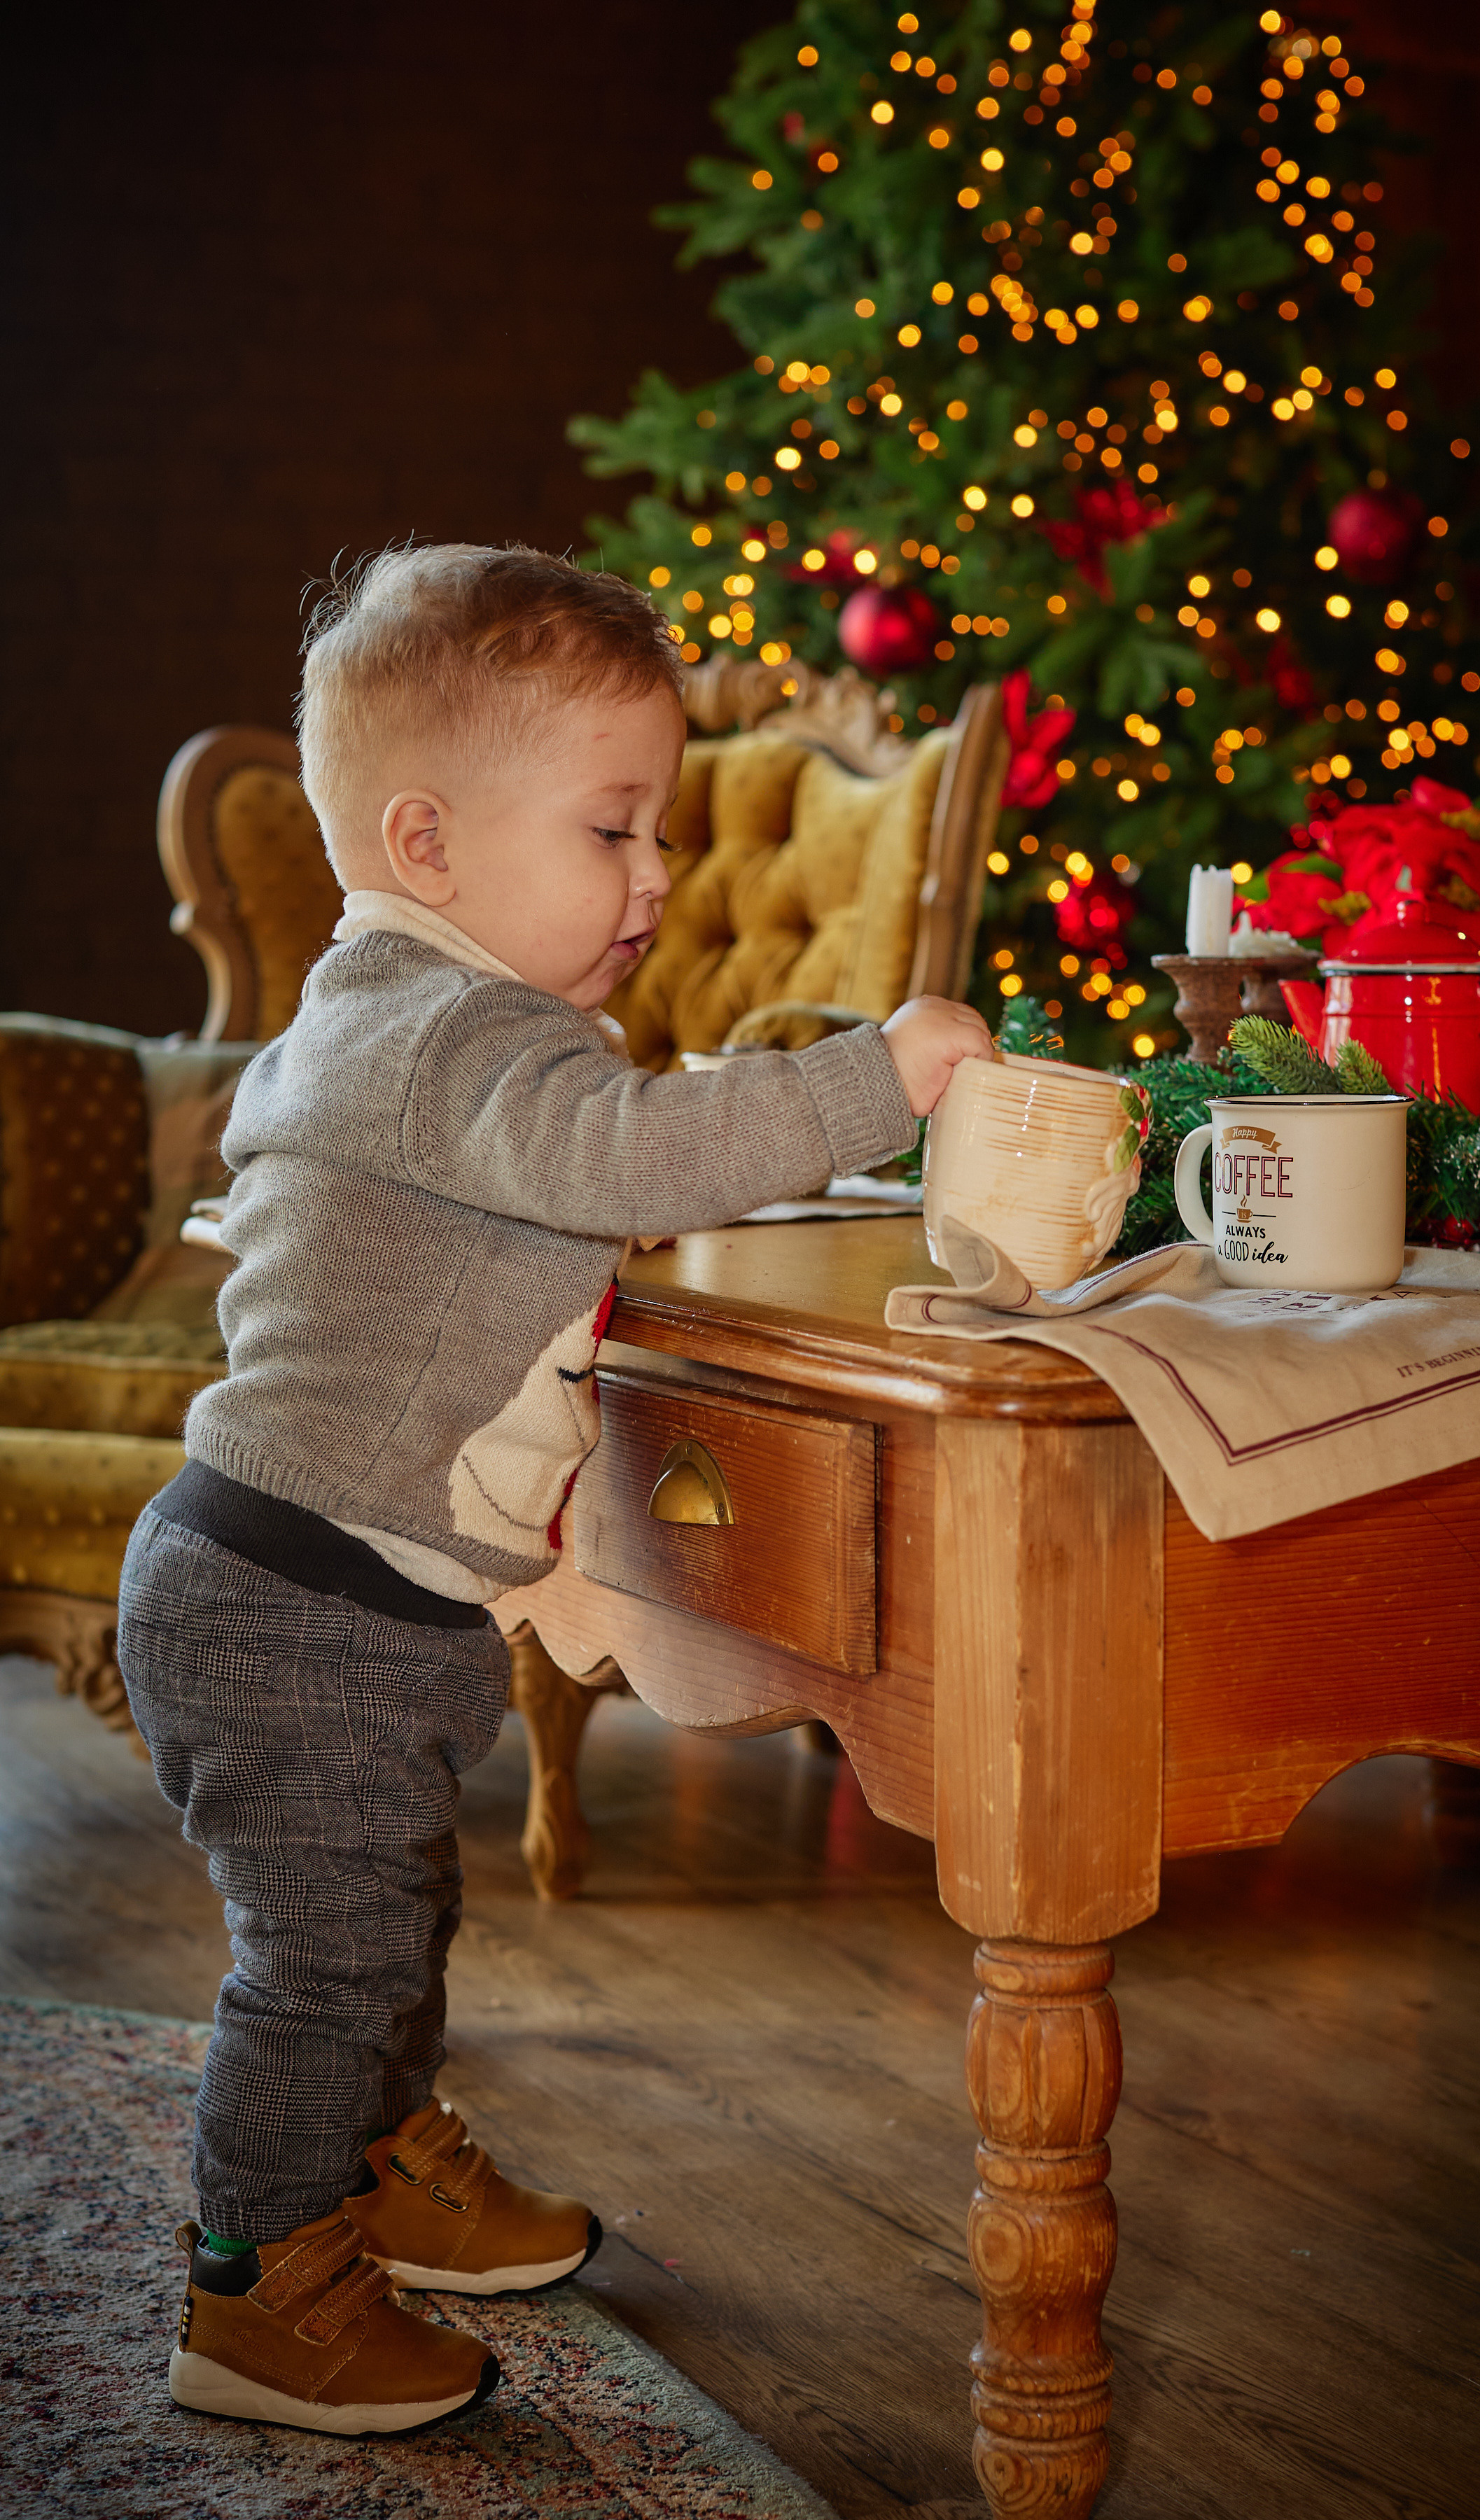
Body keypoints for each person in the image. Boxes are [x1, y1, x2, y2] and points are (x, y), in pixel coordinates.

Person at [116, 542, 993, 2436]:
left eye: (659, 827)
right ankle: (255, 2285)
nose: (657, 874)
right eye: (612, 829)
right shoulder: (446, 1038)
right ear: (426, 844)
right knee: (328, 1951)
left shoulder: (412, 1024)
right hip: (301, 1606)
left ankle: (374, 2153)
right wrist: (882, 1075)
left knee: (393, 1913)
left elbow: (570, 1178)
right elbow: (618, 1151)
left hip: (326, 1592)